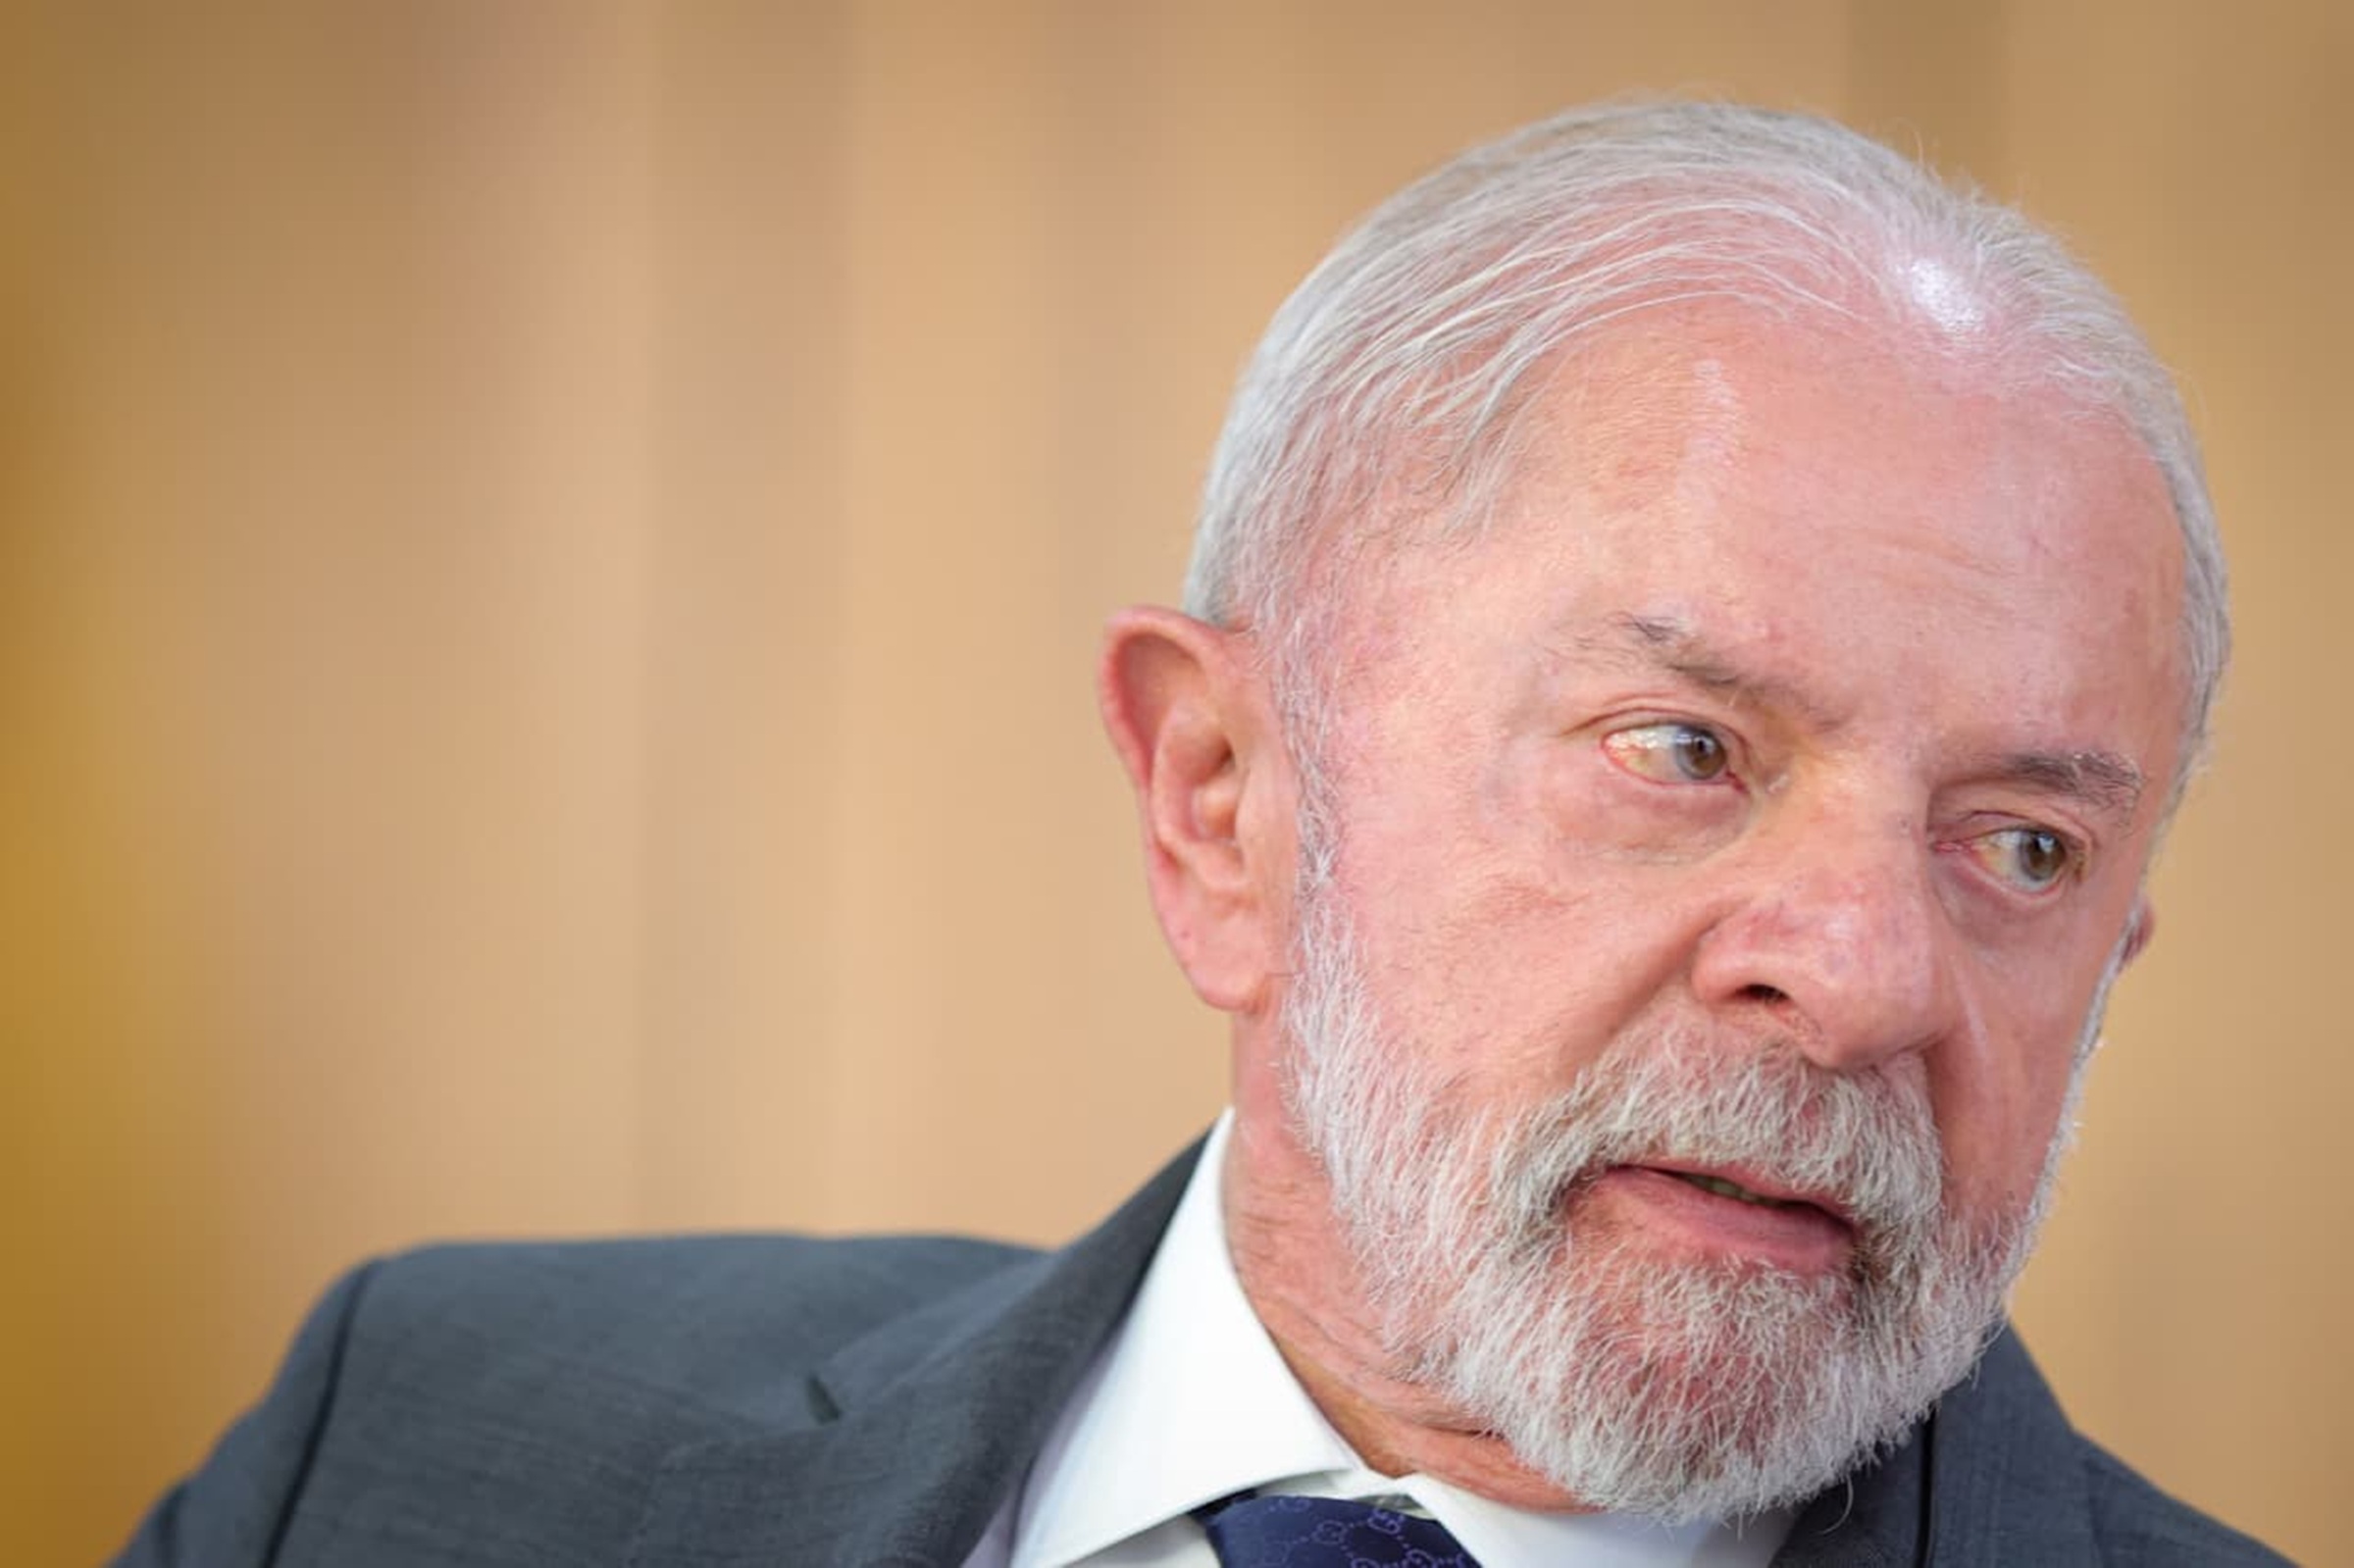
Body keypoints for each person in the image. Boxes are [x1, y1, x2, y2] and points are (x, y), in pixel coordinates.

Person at [118, 100, 2287, 1567]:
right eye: (1683, 748)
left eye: (2023, 848)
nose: (1869, 974)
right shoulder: (415, 1444)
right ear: (1223, 798)